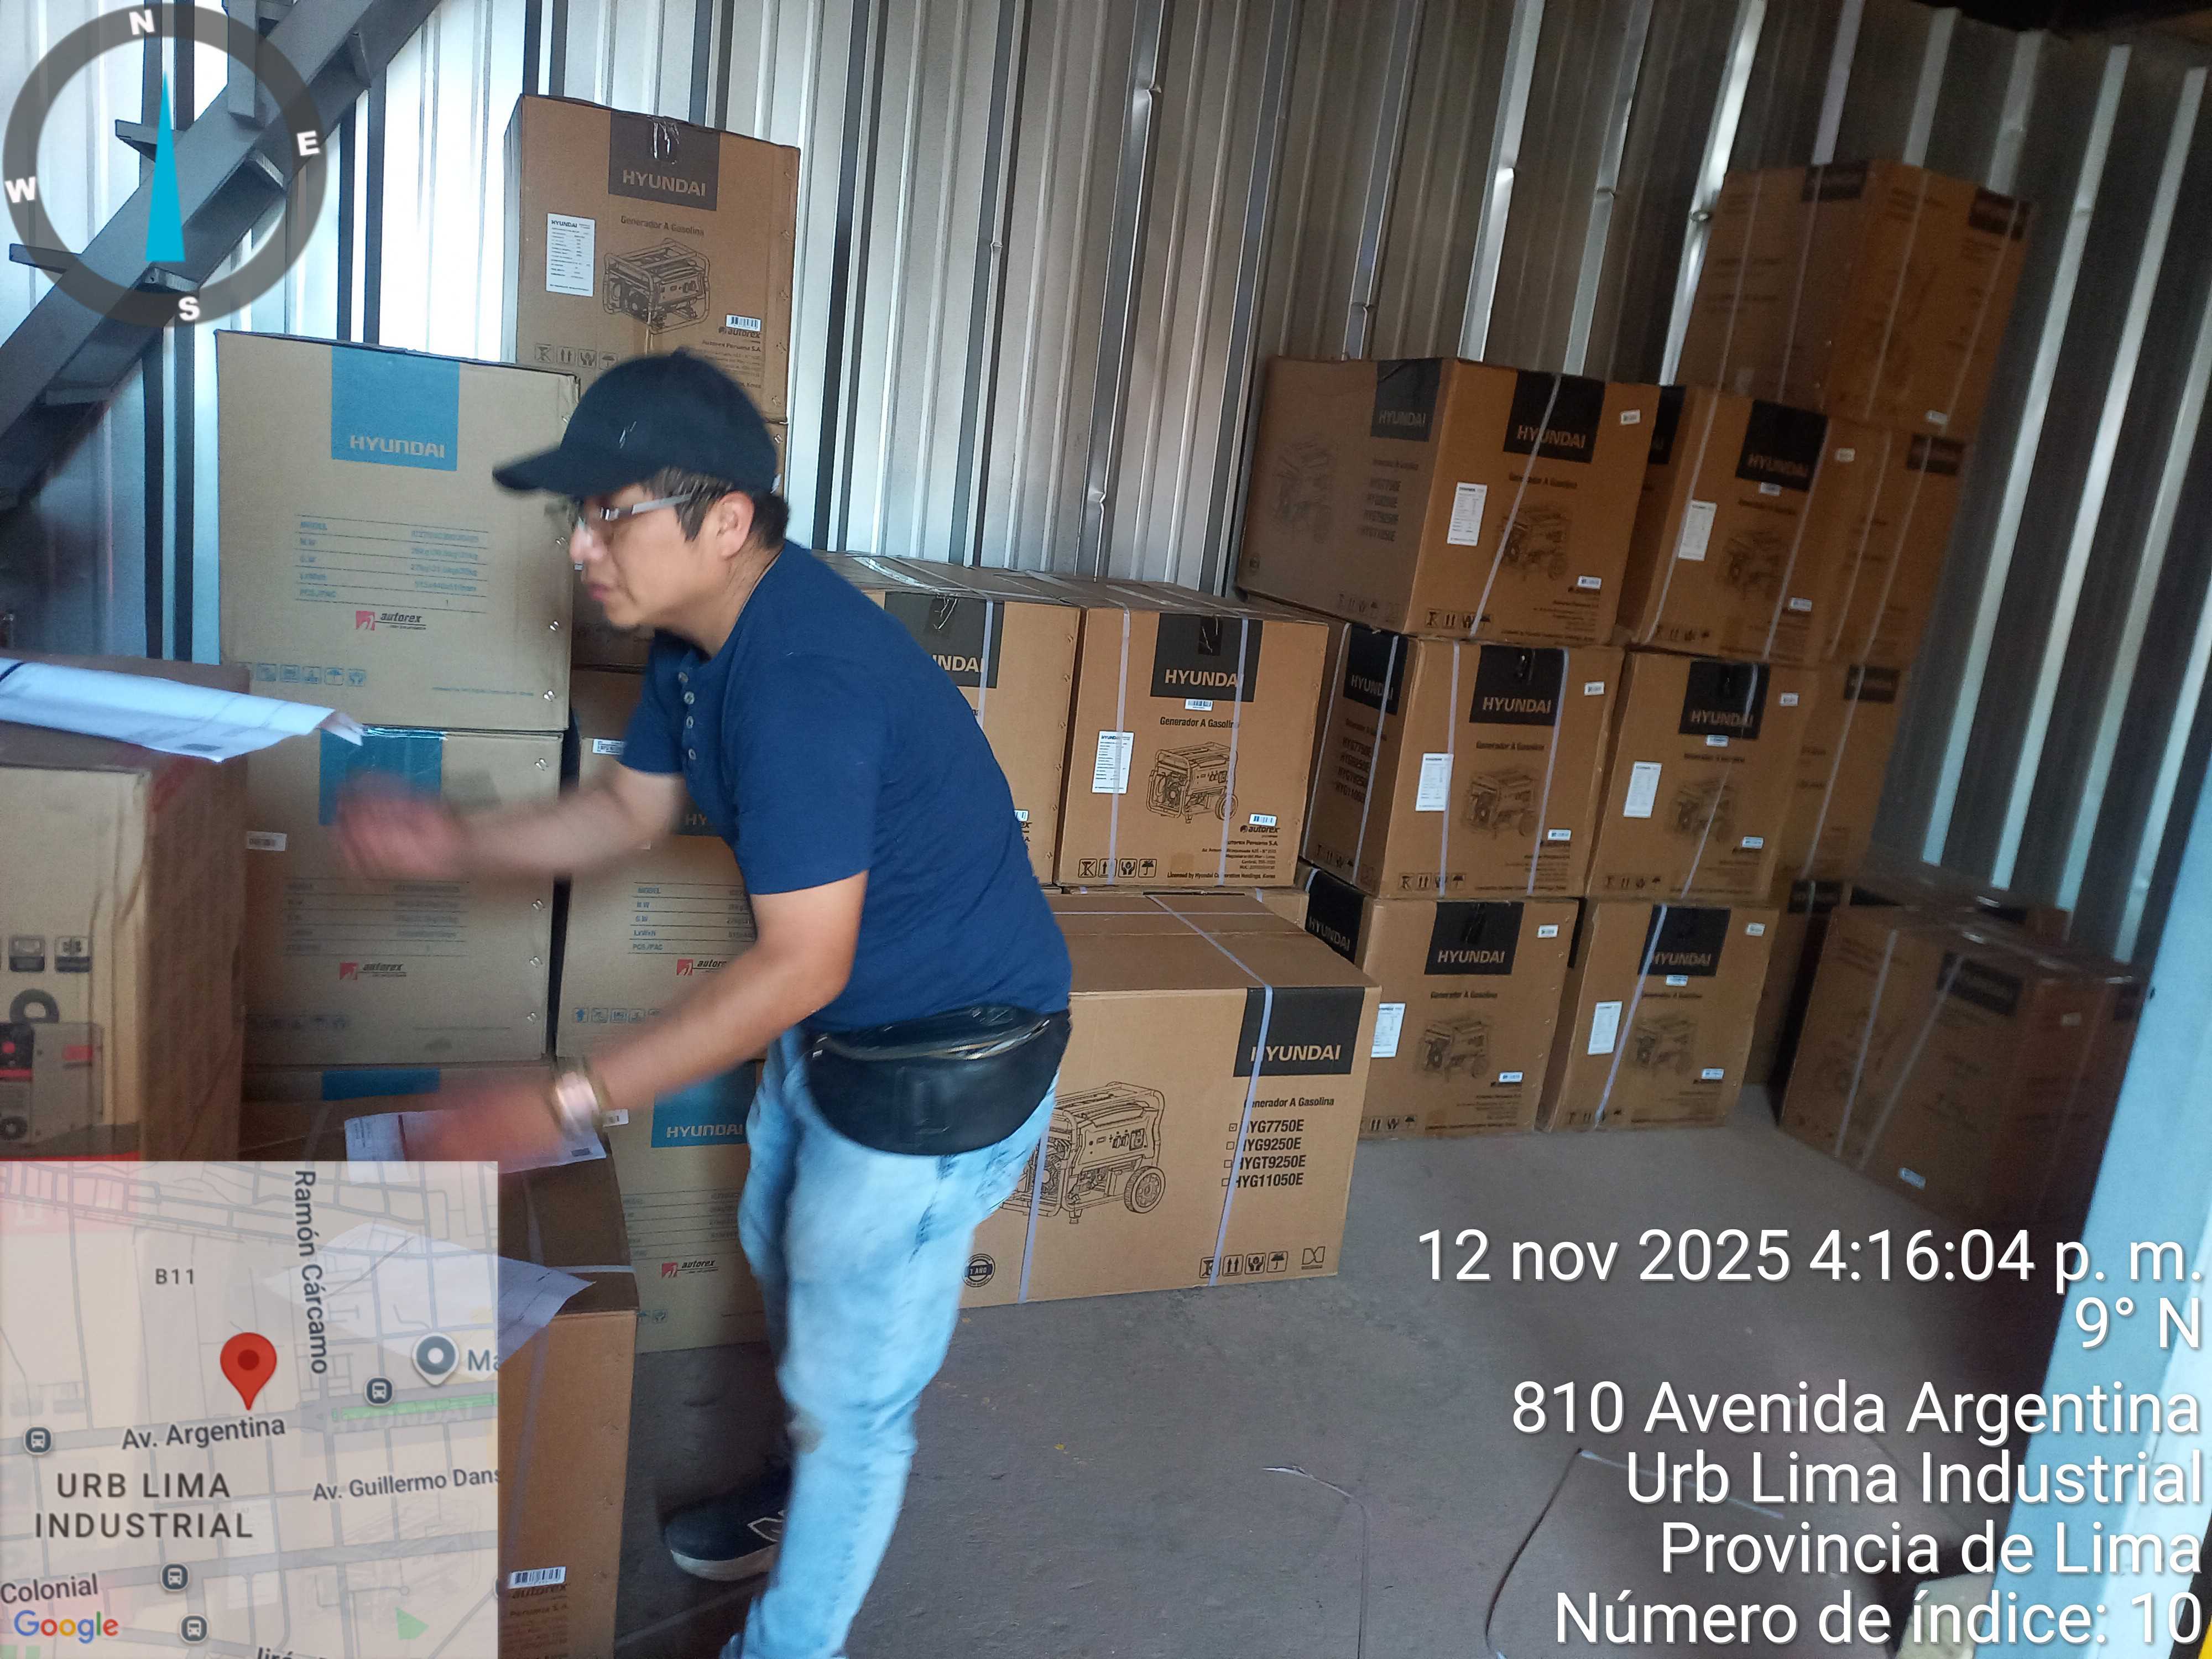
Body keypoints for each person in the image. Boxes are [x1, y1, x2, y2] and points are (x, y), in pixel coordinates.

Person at [337, 350, 1072, 1659]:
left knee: (853, 1406)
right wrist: (454, 843)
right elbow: (626, 809)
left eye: (609, 516)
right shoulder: (695, 642)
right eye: (574, 519)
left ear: (725, 521)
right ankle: (806, 1487)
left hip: (945, 1062)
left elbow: (798, 964)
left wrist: (561, 1101)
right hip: (839, 1032)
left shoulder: (802, 678)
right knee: (779, 1257)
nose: (580, 550)